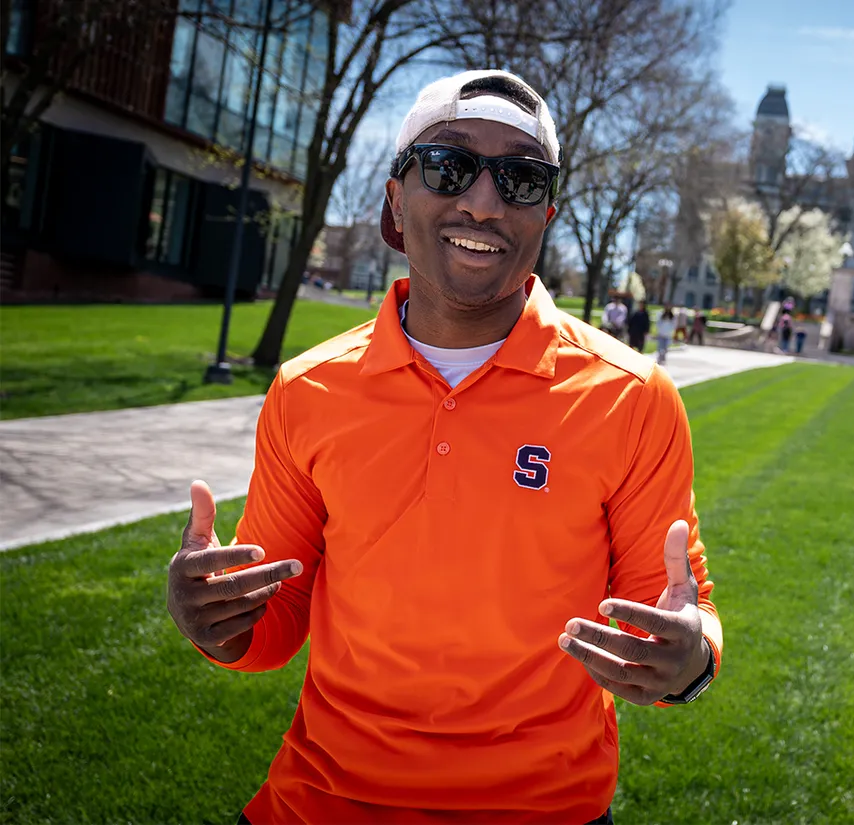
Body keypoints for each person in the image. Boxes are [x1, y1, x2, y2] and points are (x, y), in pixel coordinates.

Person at [166, 69, 722, 825]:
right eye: (449, 166)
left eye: (521, 179)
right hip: (321, 803)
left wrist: (688, 661)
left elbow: (677, 611)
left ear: (546, 213)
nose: (484, 202)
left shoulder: (631, 395)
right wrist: (213, 615)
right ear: (396, 199)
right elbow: (269, 625)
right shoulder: (307, 388)